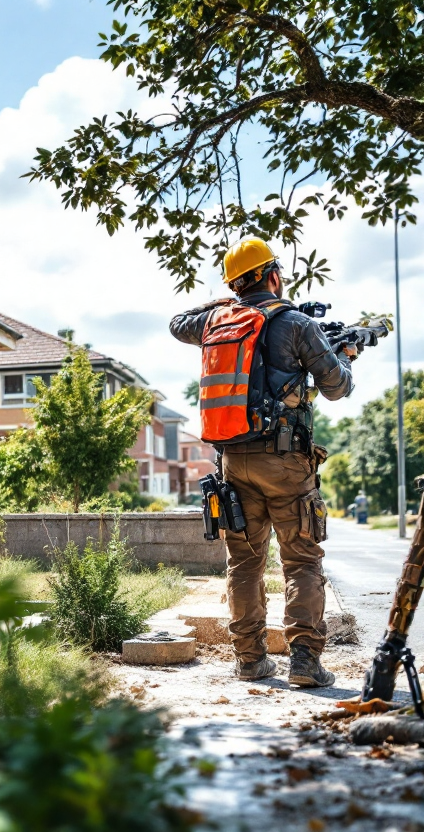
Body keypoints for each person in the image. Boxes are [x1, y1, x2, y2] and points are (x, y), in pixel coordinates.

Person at [170, 238, 356, 688]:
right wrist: (345, 357)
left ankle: (250, 660)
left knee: (245, 564)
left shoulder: (216, 321)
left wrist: (229, 300)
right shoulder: (296, 322)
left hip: (233, 462)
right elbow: (336, 388)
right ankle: (305, 663)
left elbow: (177, 323)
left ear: (236, 285)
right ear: (274, 275)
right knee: (302, 561)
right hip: (286, 463)